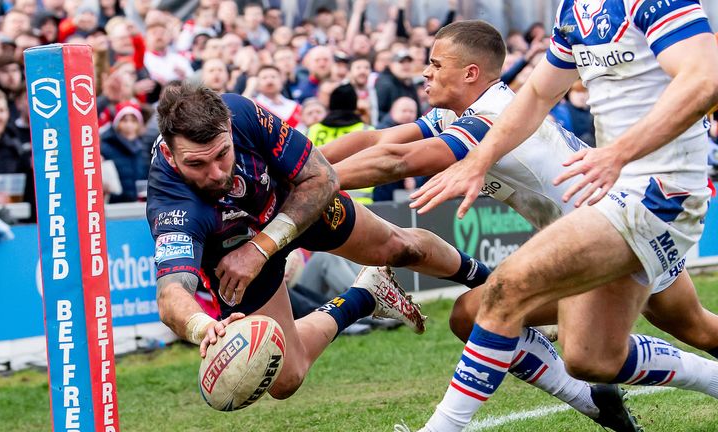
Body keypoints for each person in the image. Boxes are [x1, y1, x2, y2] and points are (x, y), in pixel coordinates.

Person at [326, 19, 718, 431]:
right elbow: (378, 142)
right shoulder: (460, 114)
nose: (426, 72)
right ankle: (597, 401)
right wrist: (301, 159)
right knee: (696, 328)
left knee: (498, 311)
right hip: (606, 222)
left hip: (610, 226)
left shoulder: (490, 116)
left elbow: (399, 161)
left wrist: (314, 183)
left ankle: (579, 403)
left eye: (436, 64)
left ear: (470, 73)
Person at [146, 83, 492, 400]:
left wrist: (261, 246)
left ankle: (493, 283)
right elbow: (171, 292)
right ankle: (365, 295)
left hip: (295, 208)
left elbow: (322, 176)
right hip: (235, 261)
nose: (216, 173)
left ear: (229, 128)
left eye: (222, 154)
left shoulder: (242, 113)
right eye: (197, 164)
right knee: (285, 379)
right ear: (172, 156)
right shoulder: (171, 202)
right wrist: (206, 328)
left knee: (401, 247)